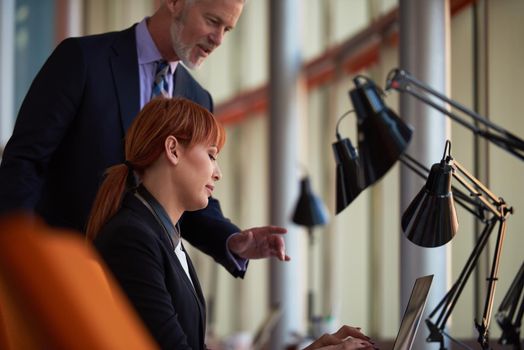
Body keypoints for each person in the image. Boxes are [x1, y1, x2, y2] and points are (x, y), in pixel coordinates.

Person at [0, 0, 285, 277]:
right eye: (212, 21)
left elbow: (185, 196)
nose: (219, 39)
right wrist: (25, 253)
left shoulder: (199, 100)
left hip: (142, 285)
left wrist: (231, 240)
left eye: (228, 29)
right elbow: (26, 162)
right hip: (61, 272)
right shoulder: (83, 59)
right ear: (174, 3)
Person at [88, 97, 375, 350]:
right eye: (211, 155)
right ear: (173, 150)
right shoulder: (133, 238)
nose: (218, 173)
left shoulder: (159, 233)